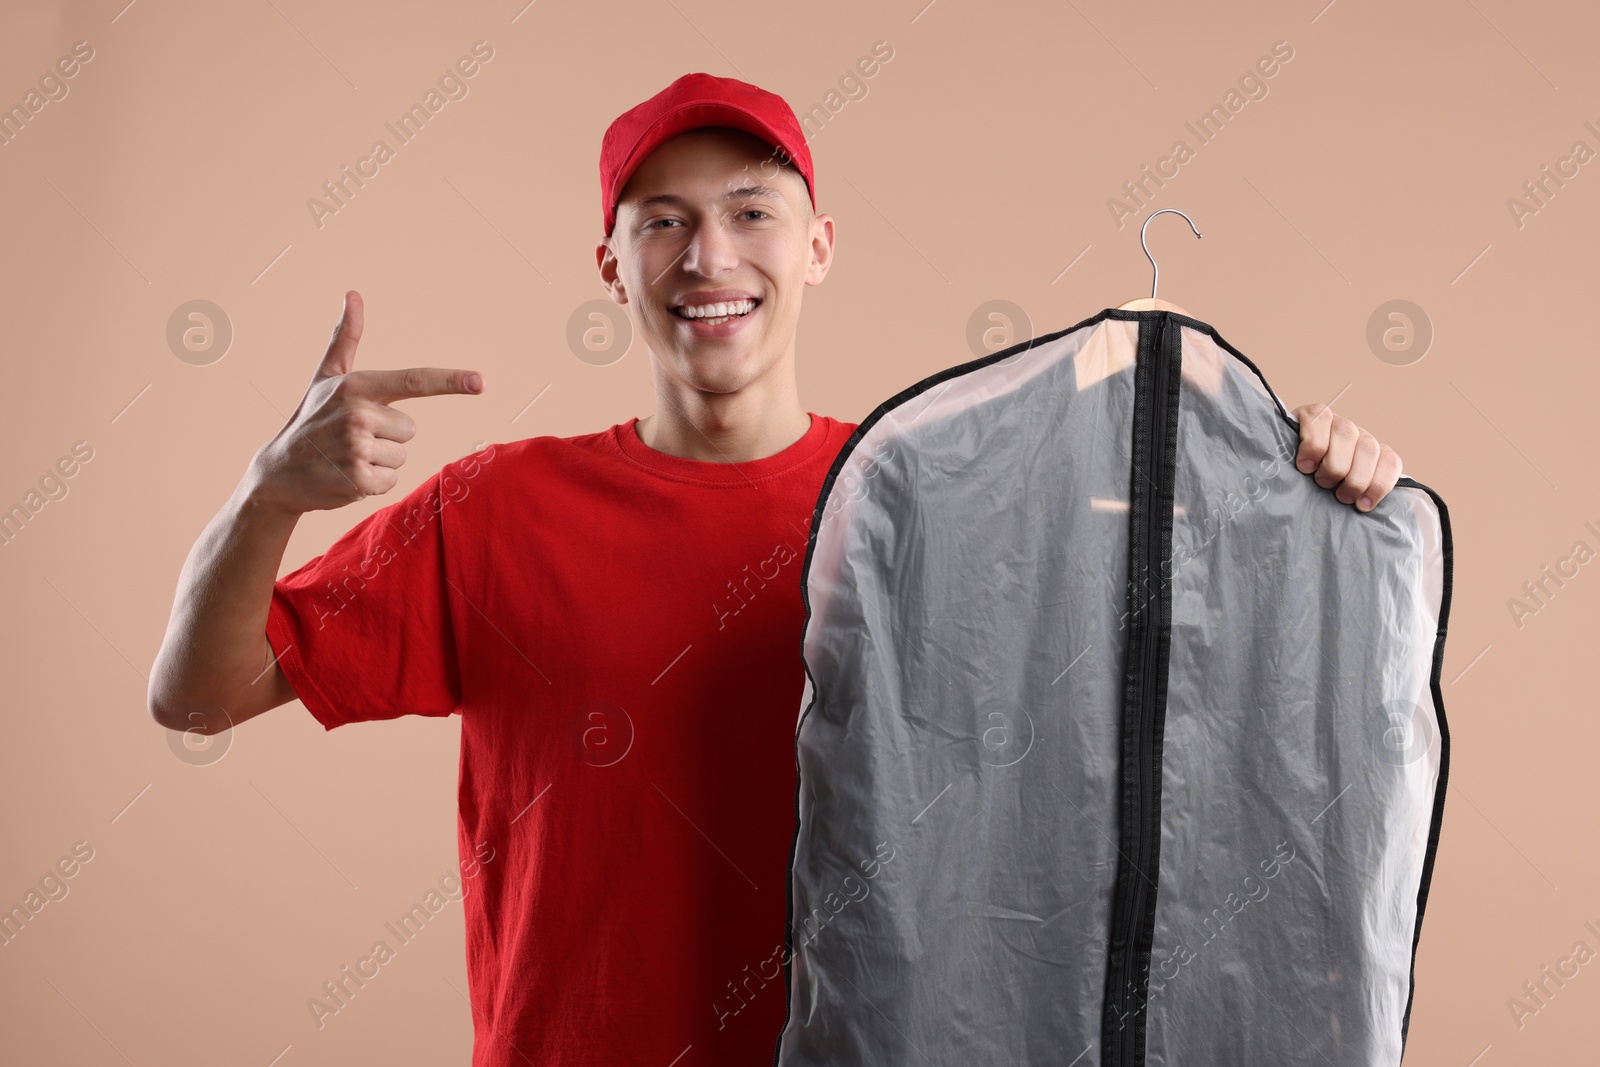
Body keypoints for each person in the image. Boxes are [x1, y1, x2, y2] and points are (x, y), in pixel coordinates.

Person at [147, 72, 1405, 1067]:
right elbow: (197, 696)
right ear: (612, 265)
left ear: (818, 246)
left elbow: (1170, 648)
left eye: (752, 211)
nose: (710, 257)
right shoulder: (495, 509)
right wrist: (267, 493)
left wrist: (1312, 491)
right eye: (665, 223)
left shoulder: (930, 502)